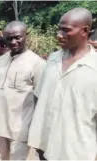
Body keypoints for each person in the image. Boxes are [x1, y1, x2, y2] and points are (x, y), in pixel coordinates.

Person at [28, 8, 97, 160]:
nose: (59, 35)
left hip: (77, 153)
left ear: (85, 31)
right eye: (59, 29)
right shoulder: (53, 59)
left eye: (66, 30)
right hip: (45, 148)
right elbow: (40, 99)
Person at [0, 21, 46, 160]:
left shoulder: (37, 64)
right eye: (9, 39)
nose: (13, 42)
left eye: (17, 37)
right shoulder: (1, 61)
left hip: (23, 131)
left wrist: (39, 133)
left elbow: (42, 100)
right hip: (2, 127)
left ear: (26, 35)